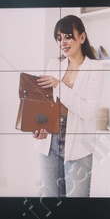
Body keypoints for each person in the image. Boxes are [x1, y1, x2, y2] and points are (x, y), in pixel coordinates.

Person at [36, 14, 106, 198]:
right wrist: (39, 125)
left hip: (79, 147)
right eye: (59, 38)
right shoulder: (53, 64)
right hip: (49, 144)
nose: (63, 42)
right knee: (51, 205)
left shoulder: (95, 68)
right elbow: (45, 103)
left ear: (82, 37)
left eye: (68, 36)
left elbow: (88, 111)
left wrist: (58, 85)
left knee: (77, 211)